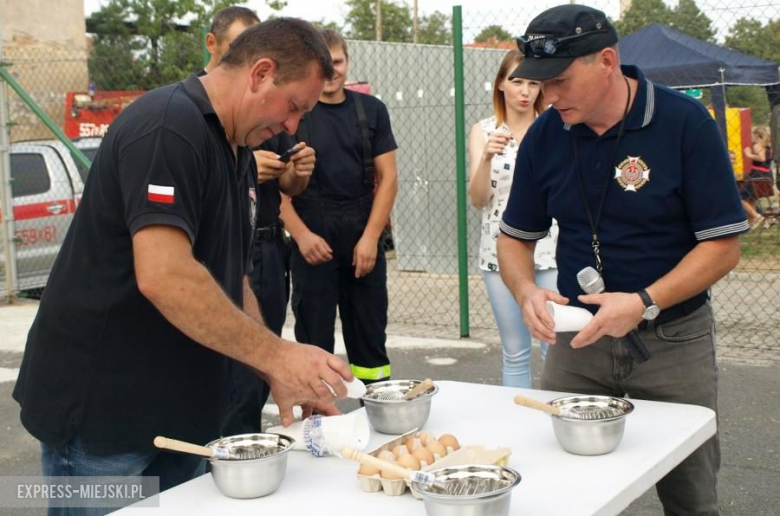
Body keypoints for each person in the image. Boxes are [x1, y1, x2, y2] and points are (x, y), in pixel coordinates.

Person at [12, 18, 353, 514]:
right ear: (259, 73)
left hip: (179, 418)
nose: (293, 126)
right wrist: (279, 356)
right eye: (295, 107)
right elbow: (165, 275)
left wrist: (270, 364)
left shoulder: (234, 144)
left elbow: (226, 274)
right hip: (104, 422)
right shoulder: (169, 127)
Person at [497, 5, 748, 515]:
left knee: (690, 493)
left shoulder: (684, 124)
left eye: (560, 81)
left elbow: (723, 246)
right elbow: (513, 239)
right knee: (564, 488)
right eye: (540, 84)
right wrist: (525, 290)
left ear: (606, 60)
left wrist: (644, 301)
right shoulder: (546, 135)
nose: (548, 96)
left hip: (673, 341)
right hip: (577, 343)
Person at [267, 29, 398, 384]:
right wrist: (302, 236)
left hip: (362, 236)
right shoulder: (291, 115)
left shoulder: (372, 111)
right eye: (323, 63)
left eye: (336, 61)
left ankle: (378, 416)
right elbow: (275, 187)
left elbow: (388, 179)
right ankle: (317, 425)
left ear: (347, 62)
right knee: (314, 342)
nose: (330, 70)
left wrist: (371, 239)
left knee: (370, 341)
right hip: (312, 236)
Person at [468, 50, 556, 389]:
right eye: (517, 81)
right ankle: (517, 430)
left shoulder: (555, 128)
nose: (525, 91)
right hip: (498, 252)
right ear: (501, 84)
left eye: (533, 83)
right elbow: (479, 200)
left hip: (550, 250)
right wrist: (487, 157)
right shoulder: (484, 130)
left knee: (554, 346)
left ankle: (556, 425)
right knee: (516, 352)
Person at [202, 6, 260, 74]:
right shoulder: (193, 84)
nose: (249, 58)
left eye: (257, 49)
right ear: (211, 43)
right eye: (238, 48)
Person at [741, 125, 773, 229]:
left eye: (752, 135)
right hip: (766, 175)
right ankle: (750, 225)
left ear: (758, 135)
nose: (751, 137)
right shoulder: (768, 147)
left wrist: (749, 155)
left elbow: (761, 158)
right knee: (752, 200)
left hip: (756, 175)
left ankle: (758, 216)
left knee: (740, 198)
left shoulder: (757, 146)